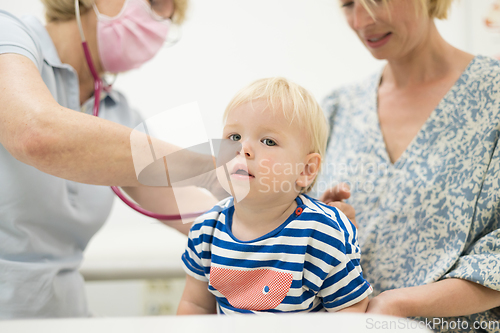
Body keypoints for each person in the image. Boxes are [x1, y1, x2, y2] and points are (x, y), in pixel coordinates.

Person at [0, 0, 222, 319]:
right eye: (158, 3)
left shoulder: (117, 114)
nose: (160, 22)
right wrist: (208, 166)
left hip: (66, 320)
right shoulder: (9, 35)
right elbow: (36, 133)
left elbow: (190, 211)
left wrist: (282, 213)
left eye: (169, 18)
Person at [317, 0, 500, 331]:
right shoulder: (336, 109)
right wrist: (323, 223)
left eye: (376, 2)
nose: (360, 21)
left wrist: (398, 304)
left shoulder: (494, 94)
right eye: (347, 4)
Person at [177, 77, 372, 315]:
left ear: (305, 170)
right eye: (234, 137)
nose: (243, 149)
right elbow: (194, 306)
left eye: (268, 141)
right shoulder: (205, 231)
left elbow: (350, 310)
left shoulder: (322, 234)